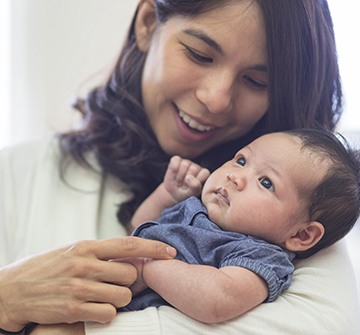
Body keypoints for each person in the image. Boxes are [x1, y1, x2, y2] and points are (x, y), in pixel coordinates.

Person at [0, 0, 359, 334]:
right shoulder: (19, 171)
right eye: (200, 55)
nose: (215, 99)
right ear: (146, 24)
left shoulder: (301, 216)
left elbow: (322, 326)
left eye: (256, 81)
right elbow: (141, 227)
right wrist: (7, 296)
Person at [122, 129, 360, 323]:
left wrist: (147, 269)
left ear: (302, 234)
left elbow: (217, 300)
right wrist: (166, 195)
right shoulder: (196, 205)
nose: (235, 177)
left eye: (266, 182)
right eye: (241, 160)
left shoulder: (259, 255)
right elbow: (137, 226)